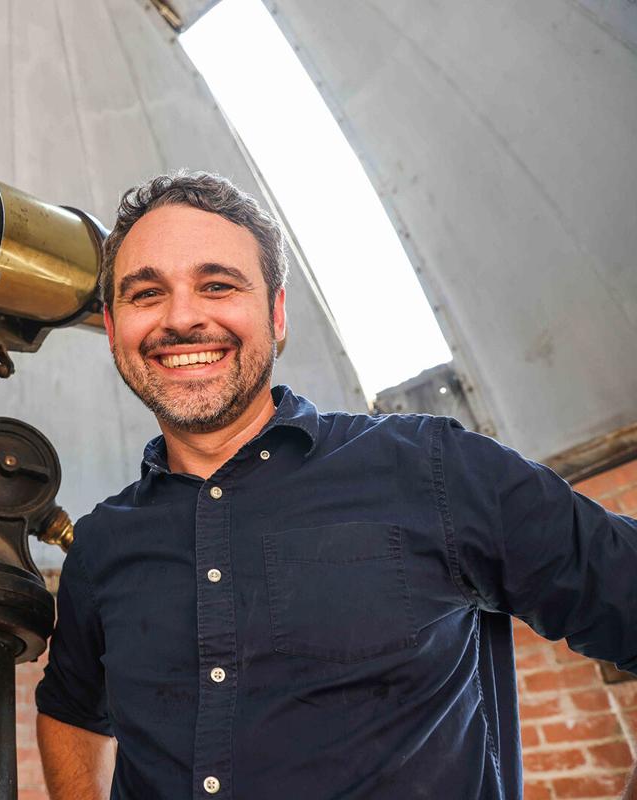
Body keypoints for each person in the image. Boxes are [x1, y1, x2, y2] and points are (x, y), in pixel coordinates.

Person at [33, 171, 637, 799]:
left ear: (276, 312)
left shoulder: (434, 467)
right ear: (111, 326)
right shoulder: (101, 542)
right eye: (146, 294)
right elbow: (72, 709)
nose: (182, 317)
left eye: (217, 285)